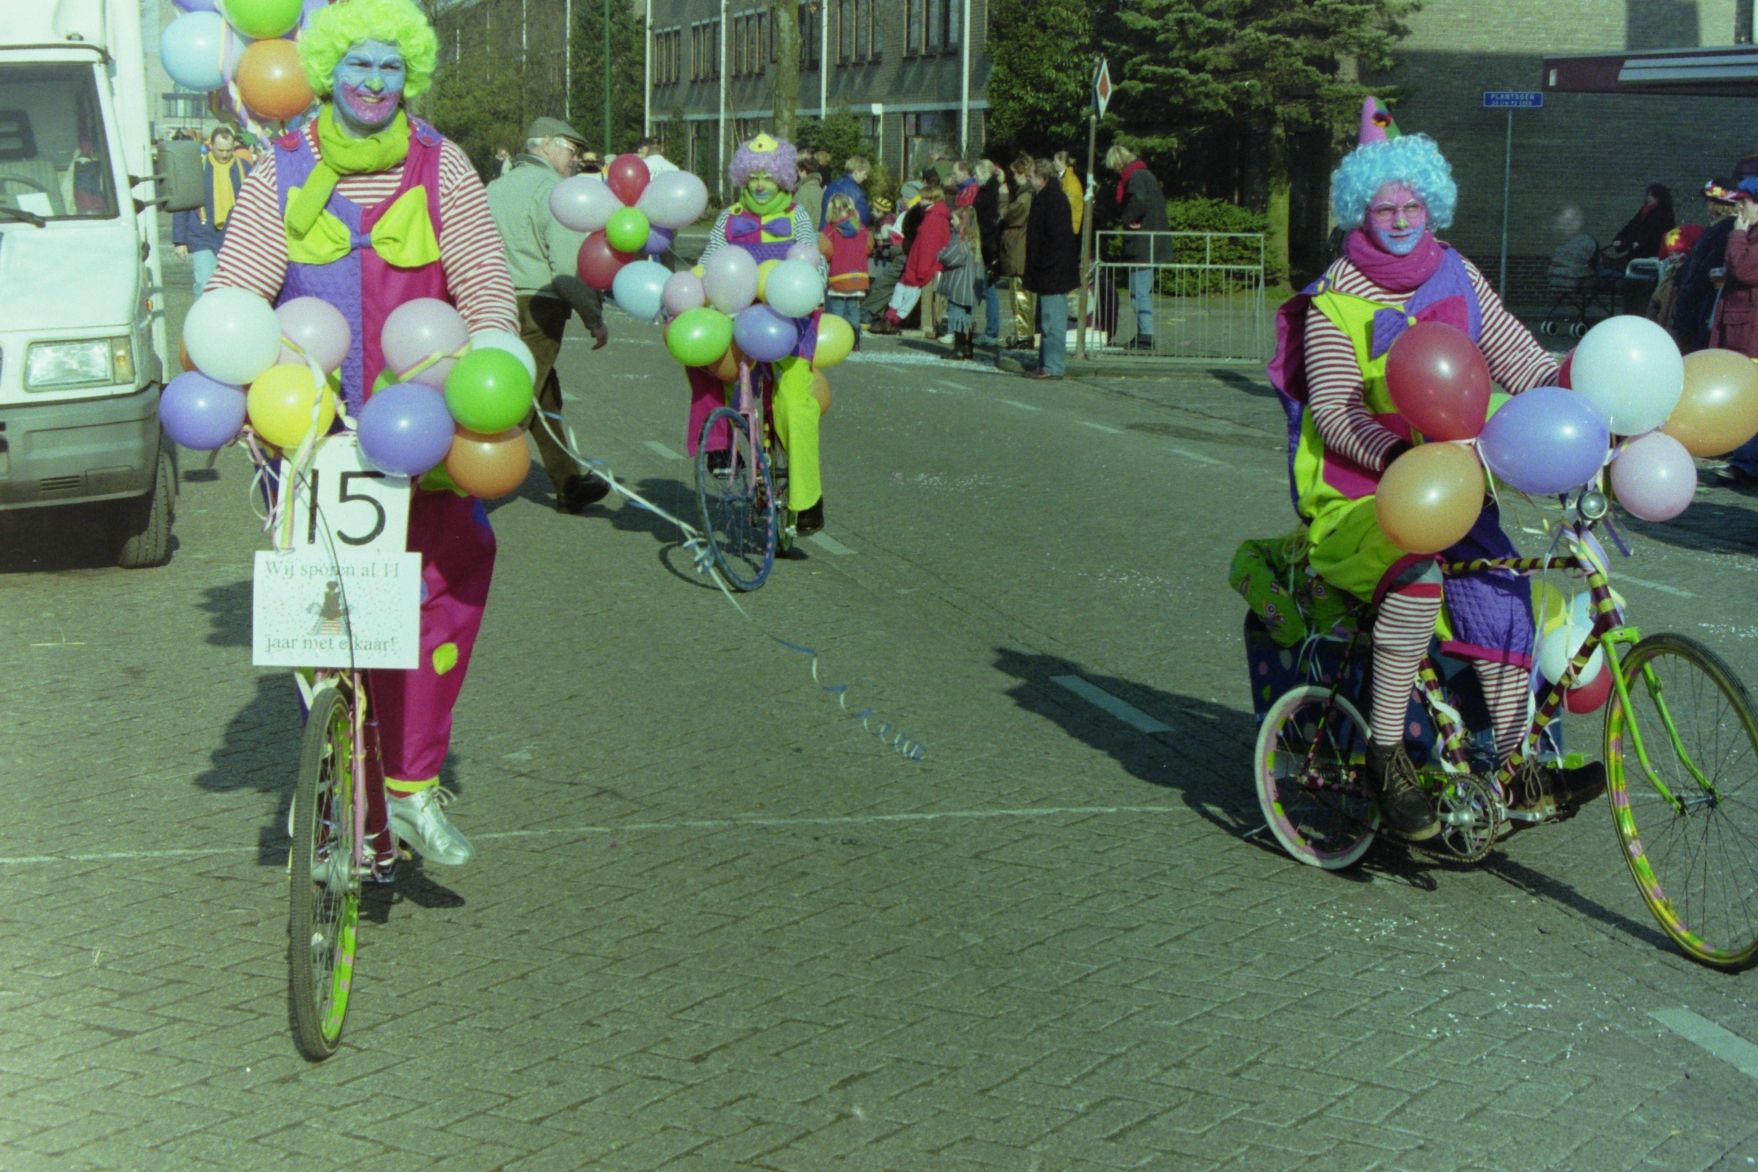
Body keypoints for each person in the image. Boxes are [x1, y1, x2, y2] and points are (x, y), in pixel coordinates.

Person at [207, 0, 519, 866]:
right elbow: (238, 287)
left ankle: (411, 787)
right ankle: (342, 797)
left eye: (391, 66)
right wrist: (228, 374)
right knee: (324, 611)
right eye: (359, 64)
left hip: (422, 424)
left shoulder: (441, 162)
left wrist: (494, 357)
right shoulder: (281, 165)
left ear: (408, 76)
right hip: (314, 428)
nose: (374, 83)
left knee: (445, 579)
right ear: (328, 72)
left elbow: (483, 278)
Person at [1265, 99, 1603, 841]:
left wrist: (1582, 395)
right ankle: (1385, 757)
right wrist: (1398, 459)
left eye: (1413, 205)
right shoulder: (1332, 301)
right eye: (1385, 208)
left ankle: (1515, 764)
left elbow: (1519, 359)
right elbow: (1334, 411)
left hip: (1457, 481)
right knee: (1416, 578)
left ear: (1432, 204)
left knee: (1504, 595)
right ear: (1360, 212)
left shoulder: (1459, 272)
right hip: (1364, 494)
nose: (1401, 219)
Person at [686, 133, 827, 535]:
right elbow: (710, 260)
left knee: (794, 404)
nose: (761, 185)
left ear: (782, 179)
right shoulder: (728, 217)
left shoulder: (797, 216)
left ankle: (808, 500)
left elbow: (812, 260)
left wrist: (812, 284)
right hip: (738, 315)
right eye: (754, 177)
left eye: (768, 177)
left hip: (789, 320)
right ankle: (718, 444)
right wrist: (691, 286)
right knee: (700, 359)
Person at [485, 115, 612, 515]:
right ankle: (467, 482)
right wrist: (593, 316)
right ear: (546, 144)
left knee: (542, 392)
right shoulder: (554, 192)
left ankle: (568, 482)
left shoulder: (493, 188)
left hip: (490, 303)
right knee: (517, 402)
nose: (576, 160)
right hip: (538, 306)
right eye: (571, 151)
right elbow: (567, 267)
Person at [1712, 178, 1758, 487]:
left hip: (1752, 334)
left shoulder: (1747, 235)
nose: (1739, 208)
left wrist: (1738, 234)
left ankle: (1746, 463)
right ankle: (1744, 459)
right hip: (1743, 329)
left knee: (1750, 396)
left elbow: (1744, 269)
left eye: (1745, 202)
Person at [1104, 143, 1169, 352]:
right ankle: (1144, 334)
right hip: (1150, 242)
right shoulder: (1144, 174)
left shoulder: (1135, 177)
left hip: (1143, 244)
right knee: (1140, 291)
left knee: (1139, 292)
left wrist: (1127, 219)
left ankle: (1146, 336)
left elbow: (1139, 201)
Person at [172, 126, 250, 293]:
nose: (224, 155)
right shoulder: (196, 168)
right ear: (210, 145)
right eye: (220, 150)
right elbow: (182, 204)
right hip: (202, 237)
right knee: (204, 285)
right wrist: (179, 241)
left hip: (235, 239)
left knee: (233, 289)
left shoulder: (244, 168)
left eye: (229, 150)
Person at [1022, 158, 1076, 379]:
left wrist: (1044, 262)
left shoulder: (1053, 199)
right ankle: (1046, 363)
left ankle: (1053, 366)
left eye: (1032, 175)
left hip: (1053, 271)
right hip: (1048, 269)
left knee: (1052, 321)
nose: (1029, 179)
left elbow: (1056, 238)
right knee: (1046, 320)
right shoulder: (1045, 197)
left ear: (1042, 177)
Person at [873, 177, 949, 337]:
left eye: (924, 198)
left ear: (932, 199)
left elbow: (929, 247)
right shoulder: (931, 215)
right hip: (917, 262)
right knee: (901, 290)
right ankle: (890, 319)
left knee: (908, 294)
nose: (920, 201)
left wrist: (922, 269)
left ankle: (893, 320)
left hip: (922, 265)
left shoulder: (934, 219)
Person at [1673, 179, 1738, 353]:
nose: (1707, 205)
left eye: (1710, 201)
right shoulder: (1717, 226)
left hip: (1703, 300)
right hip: (1697, 298)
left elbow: (1709, 263)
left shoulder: (1726, 228)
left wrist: (1689, 286)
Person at [820, 191, 870, 352]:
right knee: (853, 309)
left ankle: (839, 341)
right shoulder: (861, 227)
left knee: (837, 311)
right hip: (859, 276)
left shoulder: (830, 229)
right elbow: (868, 247)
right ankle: (855, 342)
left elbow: (827, 251)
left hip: (839, 276)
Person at [997, 155, 1034, 348]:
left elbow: (1008, 215)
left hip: (1020, 247)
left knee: (1020, 295)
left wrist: (1003, 198)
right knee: (1019, 294)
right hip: (1019, 245)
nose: (1013, 177)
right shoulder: (1026, 194)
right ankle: (1023, 333)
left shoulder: (1025, 197)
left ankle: (1024, 335)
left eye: (1015, 173)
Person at [937, 205, 981, 360]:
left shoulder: (960, 238)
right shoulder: (974, 238)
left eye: (953, 219)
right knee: (967, 316)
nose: (951, 221)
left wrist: (940, 254)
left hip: (959, 284)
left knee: (957, 315)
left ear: (962, 221)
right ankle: (968, 347)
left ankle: (959, 348)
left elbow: (952, 257)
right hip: (970, 284)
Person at [973, 159, 1007, 345]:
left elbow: (986, 223)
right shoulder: (992, 190)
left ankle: (992, 331)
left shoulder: (988, 193)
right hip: (988, 243)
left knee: (989, 289)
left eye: (977, 174)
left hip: (987, 244)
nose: (974, 177)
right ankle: (990, 330)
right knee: (987, 288)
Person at [1606, 183, 1676, 265]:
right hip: (1640, 250)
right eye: (1648, 195)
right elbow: (1632, 226)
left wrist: (1629, 242)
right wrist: (1620, 238)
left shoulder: (1664, 213)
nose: (1648, 198)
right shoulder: (1645, 211)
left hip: (1651, 252)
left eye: (1652, 195)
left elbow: (1652, 234)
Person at [821, 155, 871, 227]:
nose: (866, 177)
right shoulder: (858, 194)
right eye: (865, 174)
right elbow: (863, 221)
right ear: (856, 172)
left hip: (825, 230)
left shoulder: (832, 185)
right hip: (843, 232)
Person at [1053, 149, 1084, 236]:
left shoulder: (1070, 179)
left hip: (1068, 226)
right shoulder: (1065, 177)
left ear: (1062, 162)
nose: (1053, 163)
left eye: (1055, 160)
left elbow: (1068, 202)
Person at [793, 156, 824, 232]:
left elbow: (794, 217)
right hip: (815, 233)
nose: (798, 174)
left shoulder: (804, 191)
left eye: (798, 171)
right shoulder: (819, 189)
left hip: (803, 234)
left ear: (804, 171)